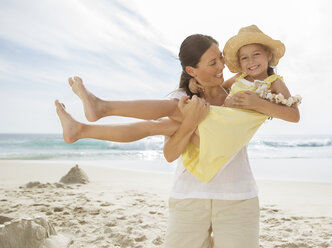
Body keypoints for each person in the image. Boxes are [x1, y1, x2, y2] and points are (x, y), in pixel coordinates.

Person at [55, 25, 300, 247]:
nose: (222, 66)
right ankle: (87, 123)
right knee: (159, 123)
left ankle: (97, 114)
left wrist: (258, 103)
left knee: (162, 121)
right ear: (192, 70)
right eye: (213, 62)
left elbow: (293, 114)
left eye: (220, 60)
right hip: (196, 180)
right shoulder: (213, 87)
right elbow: (171, 153)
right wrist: (193, 104)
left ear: (269, 55)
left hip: (232, 173)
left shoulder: (268, 83)